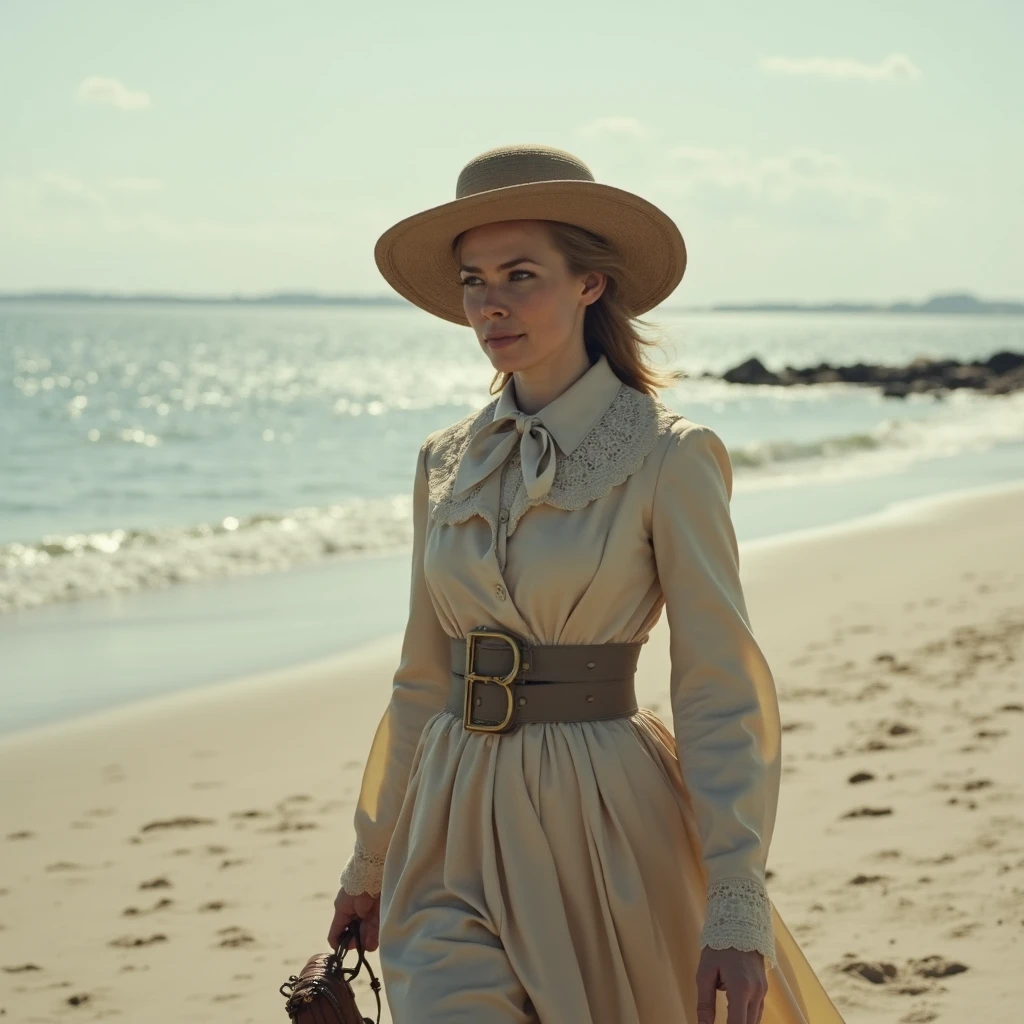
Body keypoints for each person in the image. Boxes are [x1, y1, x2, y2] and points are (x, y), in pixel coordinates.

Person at [327, 144, 846, 1024]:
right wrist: (370, 862)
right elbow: (422, 675)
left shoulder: (670, 455)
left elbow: (720, 684)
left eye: (521, 274)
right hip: (448, 821)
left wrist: (735, 899)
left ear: (589, 284)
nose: (491, 303)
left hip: (602, 820)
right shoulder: (442, 460)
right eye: (473, 280)